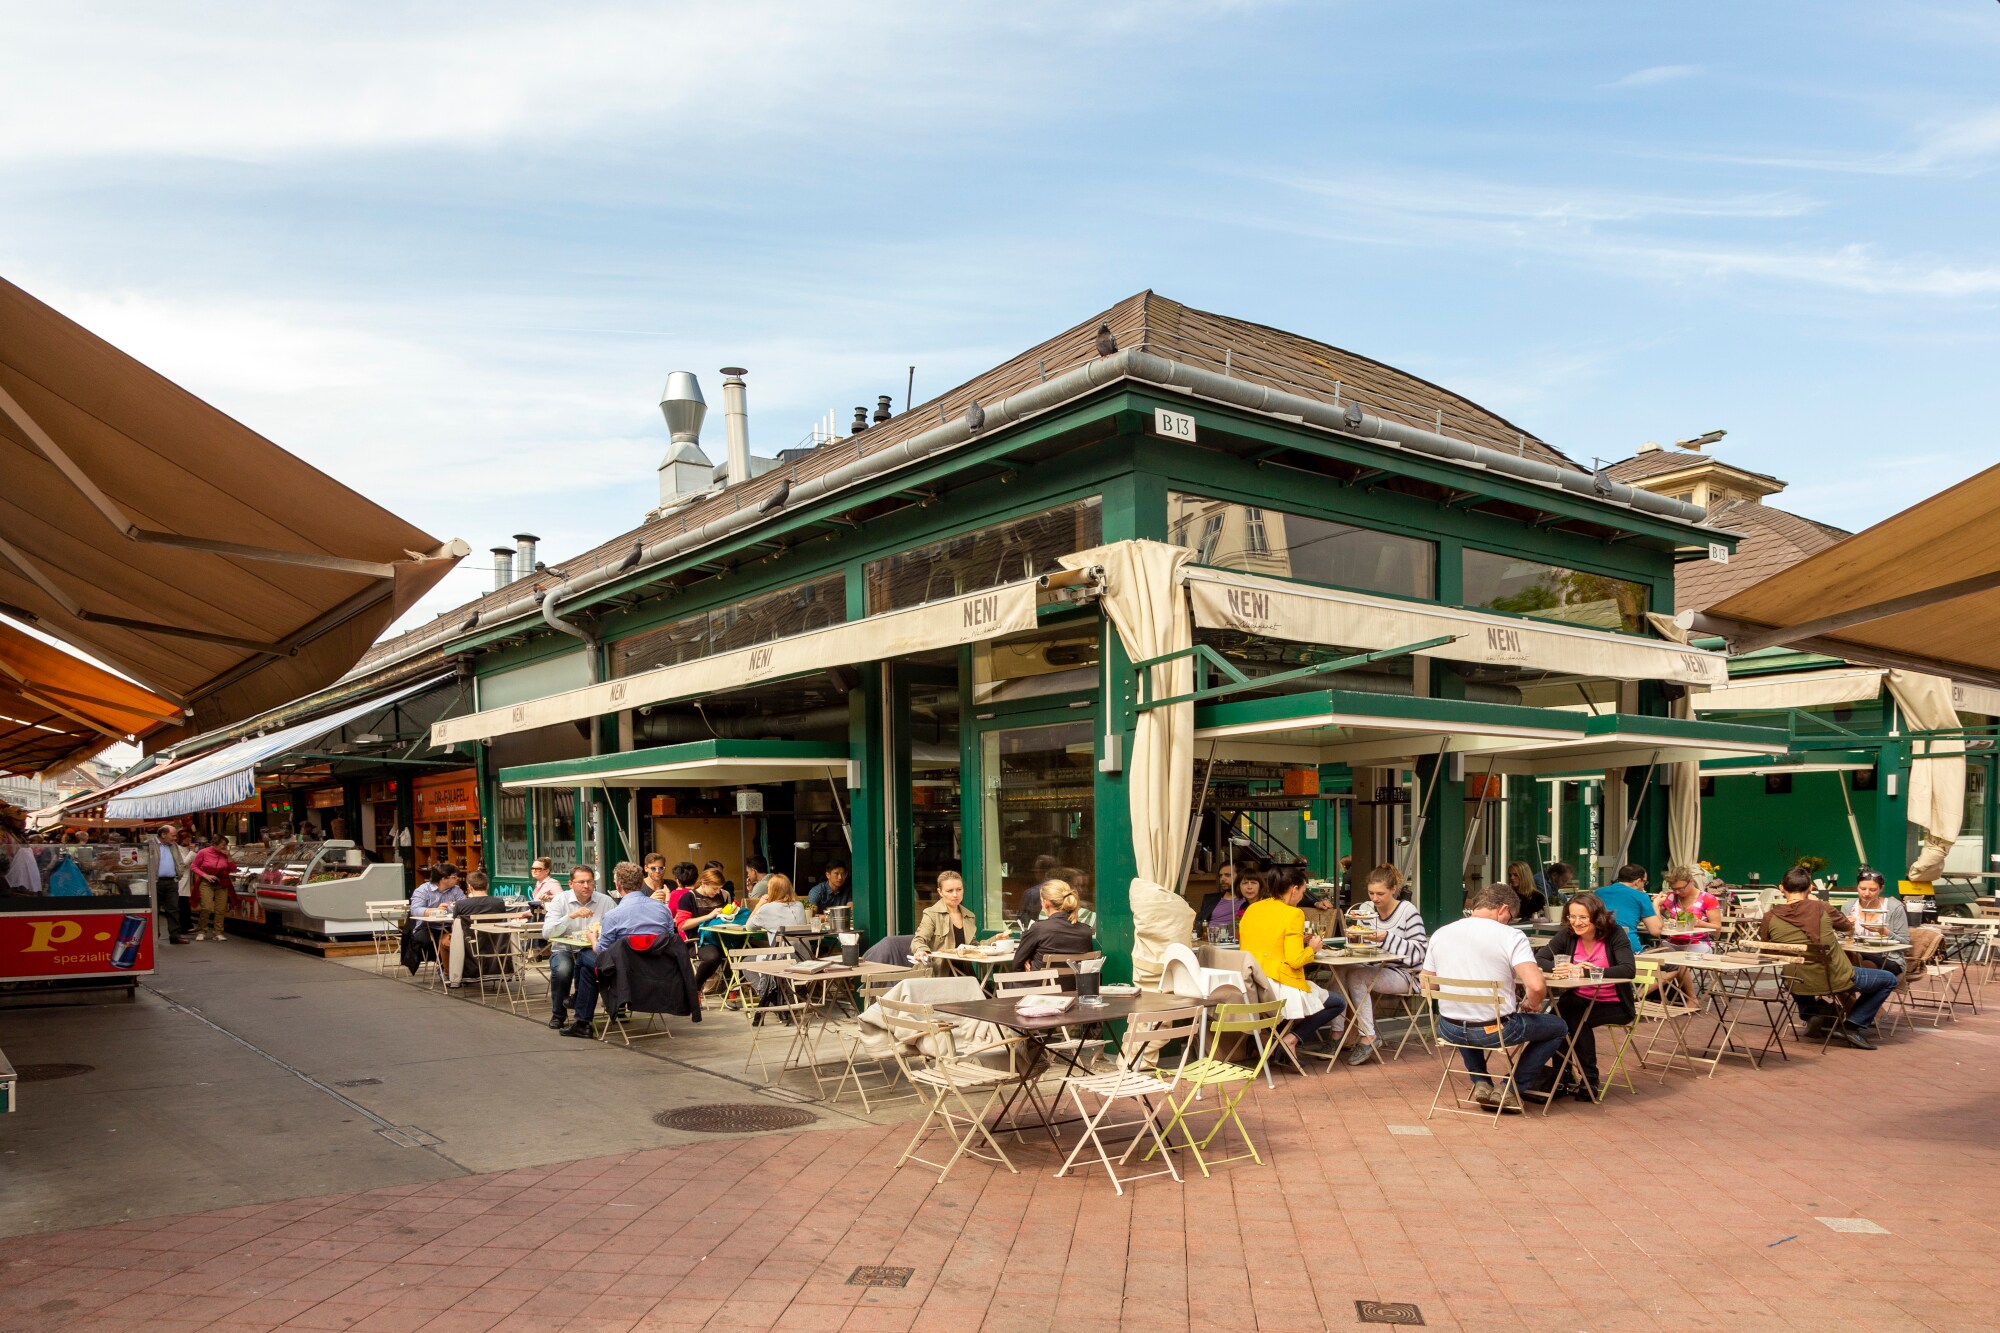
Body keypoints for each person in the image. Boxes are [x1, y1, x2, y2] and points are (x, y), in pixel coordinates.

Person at [1423, 882, 1569, 1111]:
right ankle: (1510, 1089)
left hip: (1448, 1028)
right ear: (1503, 909)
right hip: (1495, 1030)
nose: (1508, 922)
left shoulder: (1441, 933)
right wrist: (1532, 1003)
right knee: (1558, 1027)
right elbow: (1536, 985)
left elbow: (1427, 983)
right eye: (1510, 917)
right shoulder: (1511, 936)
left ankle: (1480, 1081)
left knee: (1466, 1014)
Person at [1761, 866, 1893, 1049]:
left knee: (1793, 972)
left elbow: (1767, 950)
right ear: (1811, 888)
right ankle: (1852, 1025)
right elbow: (1847, 927)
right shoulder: (1822, 908)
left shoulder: (1769, 917)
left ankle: (1811, 1012)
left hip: (1795, 981)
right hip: (1835, 977)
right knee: (1888, 979)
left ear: (1781, 888)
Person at [1533, 893, 1635, 1100]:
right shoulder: (1568, 934)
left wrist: (1586, 972)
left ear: (1596, 917)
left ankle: (1587, 1079)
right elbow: (1539, 958)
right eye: (1572, 916)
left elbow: (1628, 969)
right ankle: (1563, 1076)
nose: (1576, 922)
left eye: (1583, 917)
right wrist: (1562, 968)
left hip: (1614, 1003)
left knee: (1575, 1017)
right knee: (1559, 1017)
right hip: (1580, 998)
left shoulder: (1614, 933)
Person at [1239, 870, 1345, 1058]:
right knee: (1338, 1002)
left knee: (1304, 1001)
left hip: (1252, 986)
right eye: (1303, 892)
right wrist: (1312, 948)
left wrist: (1297, 940)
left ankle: (1269, 1040)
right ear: (1294, 890)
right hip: (1278, 986)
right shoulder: (1294, 914)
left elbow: (1264, 940)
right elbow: (1295, 961)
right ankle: (1291, 1040)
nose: (1302, 896)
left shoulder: (1253, 908)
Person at [564, 862, 677, 1037]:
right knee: (587, 969)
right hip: (658, 971)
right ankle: (581, 1021)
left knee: (584, 956)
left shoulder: (613, 915)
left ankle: (581, 1016)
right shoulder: (663, 910)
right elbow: (670, 939)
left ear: (617, 885)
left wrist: (593, 938)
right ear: (641, 883)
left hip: (625, 974)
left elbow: (601, 952)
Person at [1340, 865, 1429, 1066]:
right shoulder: (1366, 910)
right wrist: (1356, 939)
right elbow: (1364, 946)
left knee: (1356, 976)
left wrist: (1386, 938)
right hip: (1373, 966)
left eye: (1380, 894)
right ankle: (1336, 1035)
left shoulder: (1407, 911)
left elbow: (1419, 953)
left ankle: (1368, 1036)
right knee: (1340, 970)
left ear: (1394, 889)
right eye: (1371, 893)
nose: (1375, 898)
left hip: (1405, 973)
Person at [541, 864, 607, 1029]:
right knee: (563, 969)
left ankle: (589, 1013)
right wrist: (571, 916)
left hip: (591, 949)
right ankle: (558, 1014)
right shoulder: (560, 900)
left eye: (590, 881)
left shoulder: (605, 901)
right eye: (581, 882)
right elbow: (547, 933)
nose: (586, 886)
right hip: (565, 948)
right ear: (570, 884)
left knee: (600, 966)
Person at [1013, 878, 1095, 972]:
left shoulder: (1039, 929)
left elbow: (1016, 965)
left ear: (1046, 903)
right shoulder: (1086, 931)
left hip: (1042, 981)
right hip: (1075, 981)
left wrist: (1029, 960)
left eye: (1041, 901)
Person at [1593, 863, 1666, 958]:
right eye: (1644, 882)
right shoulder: (1641, 896)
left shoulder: (1598, 892)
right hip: (1629, 949)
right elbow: (1655, 931)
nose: (1644, 886)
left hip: (1598, 947)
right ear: (1638, 882)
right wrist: (1656, 904)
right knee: (1672, 961)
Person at [1850, 868, 1909, 977]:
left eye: (1872, 890)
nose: (1866, 893)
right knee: (1862, 963)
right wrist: (1848, 929)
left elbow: (1905, 943)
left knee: (1861, 964)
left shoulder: (1894, 907)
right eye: (1862, 889)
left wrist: (1885, 932)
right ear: (1857, 887)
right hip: (1857, 956)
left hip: (1888, 958)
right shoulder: (1849, 907)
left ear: (1881, 888)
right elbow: (1842, 938)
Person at [912, 870, 976, 964]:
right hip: (939, 970)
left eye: (959, 889)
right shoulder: (931, 914)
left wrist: (995, 940)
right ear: (940, 892)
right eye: (950, 891)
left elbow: (974, 946)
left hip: (965, 970)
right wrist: (921, 950)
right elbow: (918, 940)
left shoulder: (969, 916)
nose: (955, 894)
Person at [1655, 864, 1722, 955]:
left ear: (1691, 882)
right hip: (1671, 943)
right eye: (1674, 889)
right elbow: (1654, 919)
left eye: (1680, 888)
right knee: (1659, 954)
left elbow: (1717, 928)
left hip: (1698, 943)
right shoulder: (1671, 897)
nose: (1677, 892)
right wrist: (1656, 904)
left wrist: (1700, 923)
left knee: (1684, 957)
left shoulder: (1707, 899)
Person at [189, 838, 238, 942]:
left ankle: (218, 932)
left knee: (220, 908)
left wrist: (229, 856)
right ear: (215, 844)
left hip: (222, 882)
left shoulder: (225, 854)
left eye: (226, 845)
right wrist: (205, 875)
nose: (225, 847)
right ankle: (202, 930)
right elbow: (194, 866)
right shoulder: (203, 852)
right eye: (223, 845)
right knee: (206, 907)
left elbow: (233, 868)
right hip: (206, 882)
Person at [151, 823, 192, 944]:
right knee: (154, 910)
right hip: (155, 882)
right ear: (163, 835)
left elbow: (179, 861)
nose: (175, 838)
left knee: (174, 909)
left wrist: (179, 875)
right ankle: (154, 936)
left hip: (171, 881)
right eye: (173, 835)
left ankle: (175, 935)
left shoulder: (173, 845)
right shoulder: (150, 845)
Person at [1208, 869, 1263, 936]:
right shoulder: (1244, 906)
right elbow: (1235, 928)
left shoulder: (1266, 904)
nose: (1249, 887)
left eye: (1253, 883)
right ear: (1239, 887)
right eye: (1245, 883)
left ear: (1260, 886)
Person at [1196, 863, 1237, 929]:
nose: (1222, 879)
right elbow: (1198, 922)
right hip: (1209, 934)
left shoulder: (1247, 900)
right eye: (1220, 875)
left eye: (1227, 875)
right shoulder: (1209, 899)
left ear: (1239, 877)